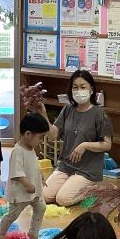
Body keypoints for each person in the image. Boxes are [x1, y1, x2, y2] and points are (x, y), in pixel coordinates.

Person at [37, 70, 112, 207]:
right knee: (45, 196)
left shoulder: (99, 113)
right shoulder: (68, 109)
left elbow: (107, 144)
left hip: (88, 170)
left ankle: (94, 188)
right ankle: (70, 183)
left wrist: (85, 145)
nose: (79, 91)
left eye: (83, 87)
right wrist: (43, 114)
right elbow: (53, 134)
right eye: (75, 87)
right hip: (66, 165)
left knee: (62, 199)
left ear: (91, 89)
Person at [0, 113, 49, 239]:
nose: (41, 141)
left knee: (41, 207)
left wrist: (40, 175)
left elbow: (33, 165)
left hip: (34, 192)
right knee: (13, 215)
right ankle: (1, 232)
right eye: (40, 137)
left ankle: (33, 233)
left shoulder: (31, 148)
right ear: (28, 134)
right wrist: (27, 184)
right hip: (20, 193)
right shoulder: (17, 151)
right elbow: (17, 173)